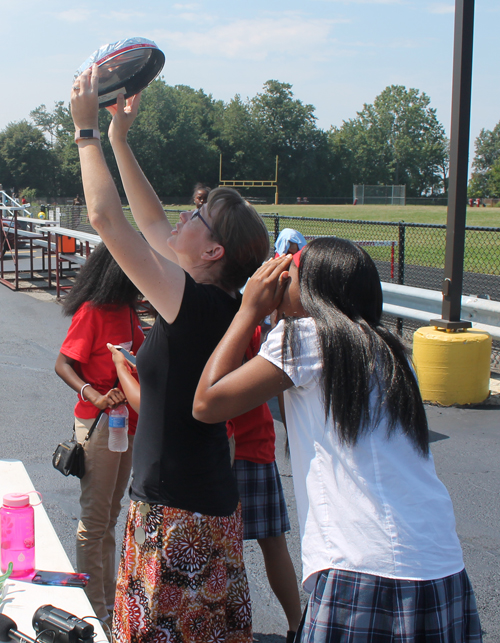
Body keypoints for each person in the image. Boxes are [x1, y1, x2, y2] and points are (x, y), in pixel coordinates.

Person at [193, 238, 483, 643]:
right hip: (440, 562)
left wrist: (249, 311)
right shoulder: (393, 351)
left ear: (314, 290)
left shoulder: (304, 339)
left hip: (362, 563)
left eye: (289, 272)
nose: (280, 277)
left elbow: (207, 402)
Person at [70, 65, 270, 642]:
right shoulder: (209, 298)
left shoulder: (199, 303)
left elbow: (109, 220)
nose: (183, 216)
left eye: (198, 215)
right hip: (185, 508)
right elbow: (152, 220)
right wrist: (117, 139)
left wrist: (84, 133)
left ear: (212, 248)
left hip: (180, 517)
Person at [54, 242, 144, 624]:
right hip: (99, 424)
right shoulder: (93, 312)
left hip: (127, 425)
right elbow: (62, 363)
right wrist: (92, 392)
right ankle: (92, 612)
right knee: (94, 522)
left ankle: (105, 605)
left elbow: (140, 352)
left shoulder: (125, 310)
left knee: (110, 516)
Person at [227, 327, 302, 643]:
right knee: (235, 547)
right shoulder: (243, 319)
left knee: (264, 542)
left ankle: (297, 626)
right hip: (233, 443)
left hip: (243, 443)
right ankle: (292, 628)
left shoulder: (243, 324)